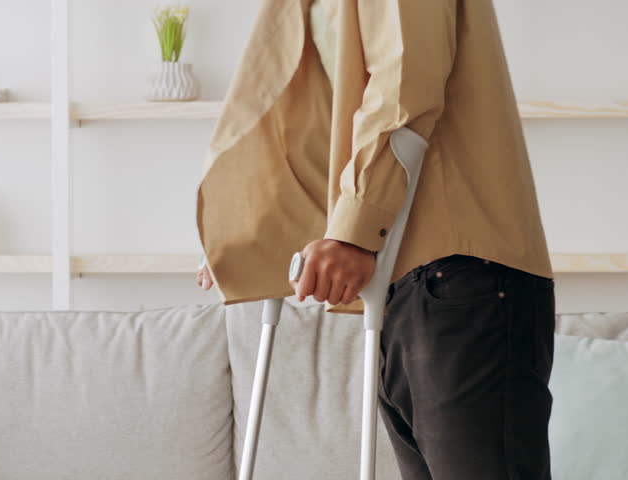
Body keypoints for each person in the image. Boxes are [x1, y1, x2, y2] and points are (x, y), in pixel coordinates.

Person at [196, 0, 556, 478]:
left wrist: (355, 232)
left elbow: (405, 83)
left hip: (463, 273)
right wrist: (251, 236)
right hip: (402, 286)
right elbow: (326, 112)